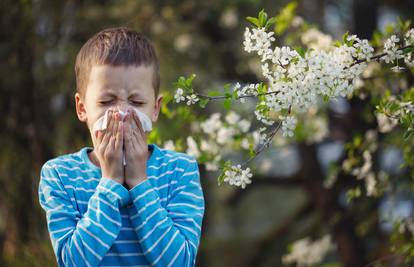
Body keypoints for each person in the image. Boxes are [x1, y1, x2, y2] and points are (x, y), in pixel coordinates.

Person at [37, 27, 205, 267]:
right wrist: (110, 182)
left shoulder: (180, 170)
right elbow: (73, 262)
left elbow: (179, 261)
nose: (123, 114)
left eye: (136, 102)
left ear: (155, 108)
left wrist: (139, 182)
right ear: (82, 108)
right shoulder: (60, 175)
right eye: (106, 102)